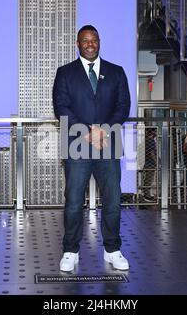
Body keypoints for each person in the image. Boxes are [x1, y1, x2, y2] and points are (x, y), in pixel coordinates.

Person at [53, 25, 131, 272]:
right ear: (78, 43)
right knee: (74, 201)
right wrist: (87, 132)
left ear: (99, 41)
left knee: (113, 201)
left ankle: (112, 250)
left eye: (94, 40)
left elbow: (123, 106)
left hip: (108, 143)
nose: (90, 44)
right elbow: (61, 107)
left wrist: (103, 130)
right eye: (85, 40)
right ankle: (70, 251)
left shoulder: (116, 72)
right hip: (78, 143)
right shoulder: (65, 73)